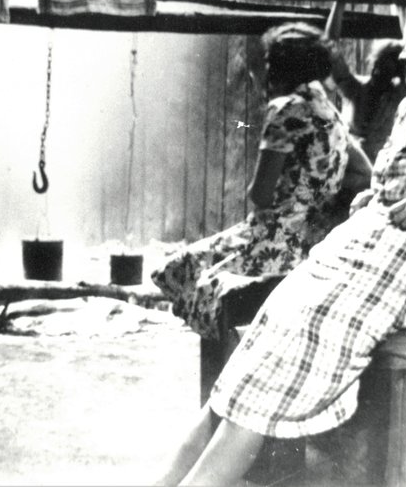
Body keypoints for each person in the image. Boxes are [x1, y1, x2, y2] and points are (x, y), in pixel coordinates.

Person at [155, 0, 406, 486]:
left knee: (277, 373)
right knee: (255, 355)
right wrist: (370, 200)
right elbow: (385, 181)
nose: (404, 53)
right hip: (349, 249)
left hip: (397, 262)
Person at [151, 23, 365, 339]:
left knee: (176, 270)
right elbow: (364, 172)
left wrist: (292, 196)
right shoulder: (326, 106)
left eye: (267, 64)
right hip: (316, 236)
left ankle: (219, 365)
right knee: (204, 277)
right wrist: (317, 196)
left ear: (279, 69)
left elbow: (261, 195)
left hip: (276, 237)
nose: (262, 72)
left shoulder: (284, 109)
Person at [324, 1, 406, 162]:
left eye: (385, 70)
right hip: (349, 165)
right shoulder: (355, 89)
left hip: (383, 167)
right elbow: (330, 48)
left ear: (396, 74)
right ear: (371, 63)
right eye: (376, 66)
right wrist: (339, 3)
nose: (377, 73)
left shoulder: (400, 96)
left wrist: (399, 7)